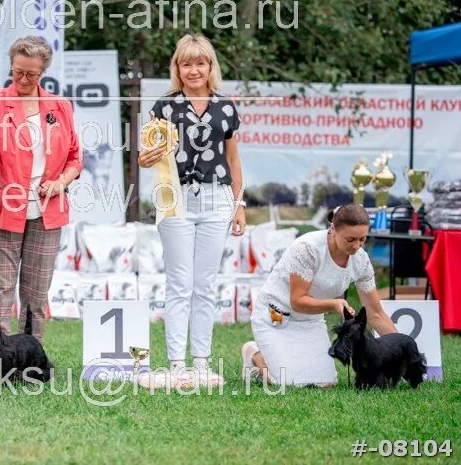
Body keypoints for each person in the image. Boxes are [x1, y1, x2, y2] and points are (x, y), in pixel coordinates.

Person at [138, 33, 246, 376]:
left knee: (206, 285)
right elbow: (146, 153)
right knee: (179, 283)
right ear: (177, 68)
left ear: (211, 66)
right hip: (175, 199)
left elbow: (233, 159)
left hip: (217, 199)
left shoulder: (226, 107)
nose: (194, 70)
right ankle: (176, 363)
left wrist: (239, 205)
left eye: (200, 63)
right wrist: (144, 157)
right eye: (187, 64)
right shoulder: (164, 107)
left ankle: (201, 362)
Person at [0, 36, 82, 342]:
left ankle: (31, 355)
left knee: (37, 294)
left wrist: (60, 182)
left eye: (31, 74)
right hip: (2, 207)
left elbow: (75, 157)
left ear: (43, 72)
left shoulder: (60, 107)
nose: (22, 79)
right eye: (17, 71)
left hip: (47, 212)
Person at [242, 204, 398, 387]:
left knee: (325, 384)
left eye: (362, 239)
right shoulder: (307, 248)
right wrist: (333, 304)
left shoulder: (361, 261)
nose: (356, 246)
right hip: (275, 316)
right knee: (288, 383)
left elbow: (376, 314)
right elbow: (297, 301)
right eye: (350, 239)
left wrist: (401, 351)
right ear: (333, 228)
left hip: (311, 320)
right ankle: (254, 355)